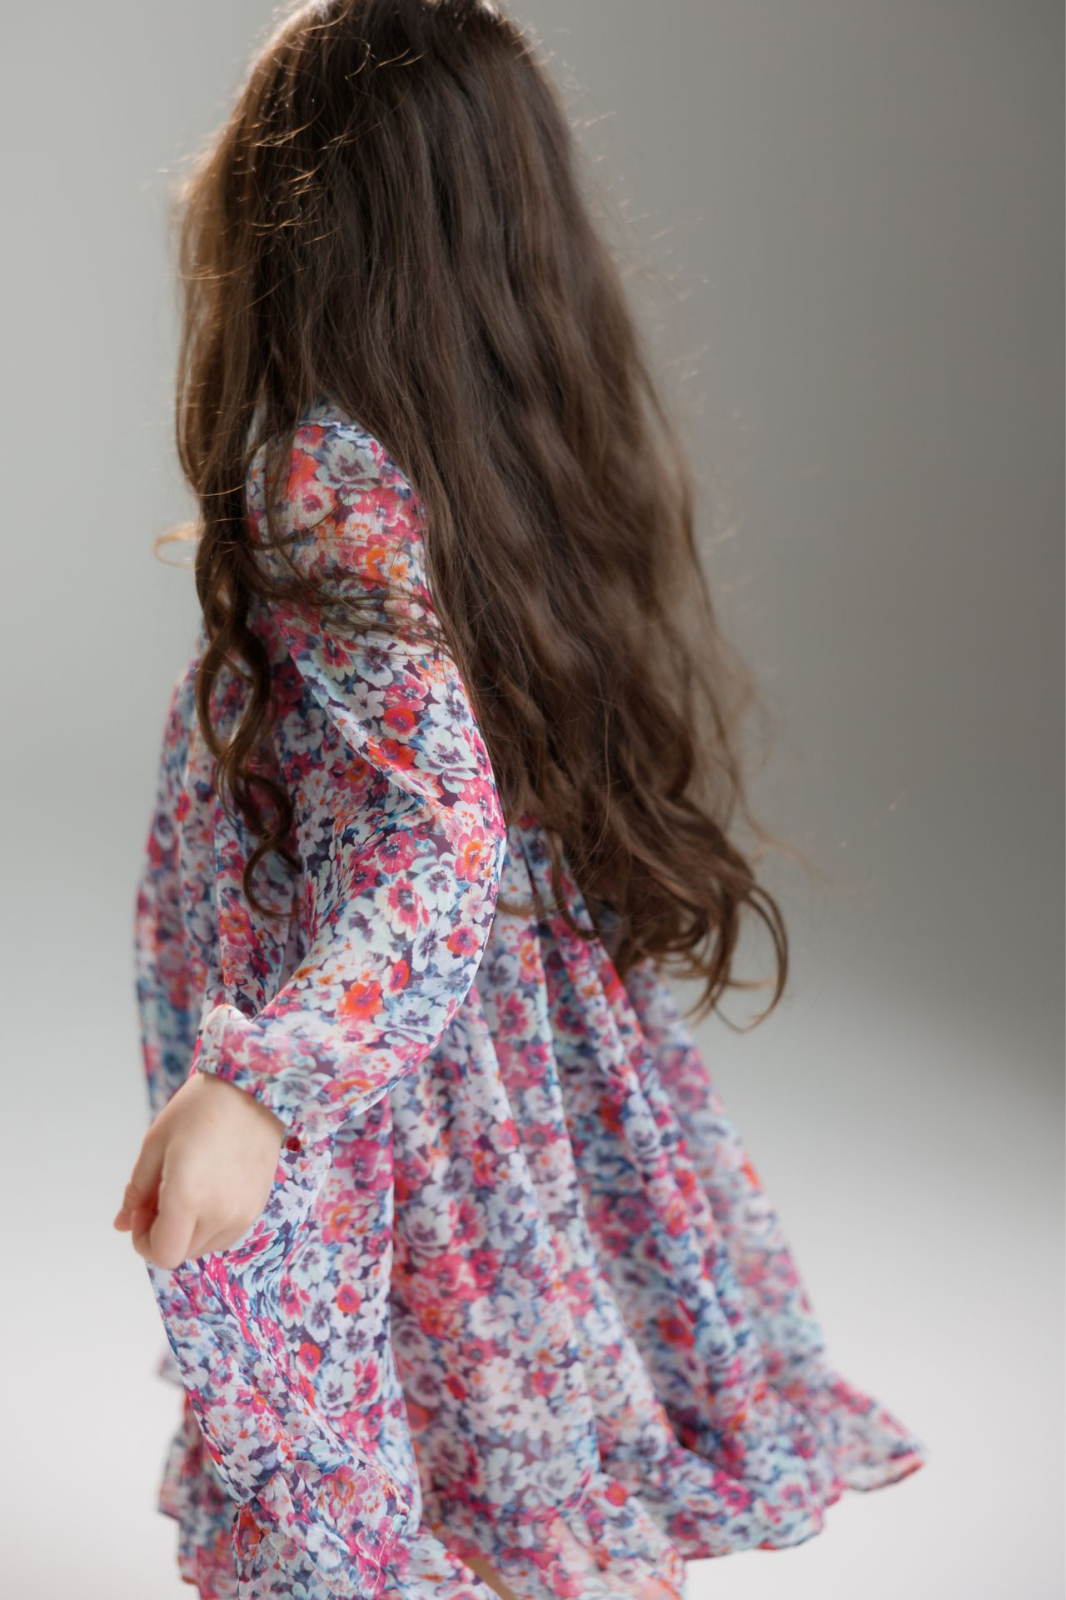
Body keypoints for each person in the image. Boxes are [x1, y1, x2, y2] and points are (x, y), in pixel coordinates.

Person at [115, 3, 928, 1597]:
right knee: (504, 1430)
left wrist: (262, 1089)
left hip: (393, 1081)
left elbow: (437, 840)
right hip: (482, 1068)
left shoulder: (326, 480)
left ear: (295, 213)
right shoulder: (473, 461)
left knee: (414, 1435)